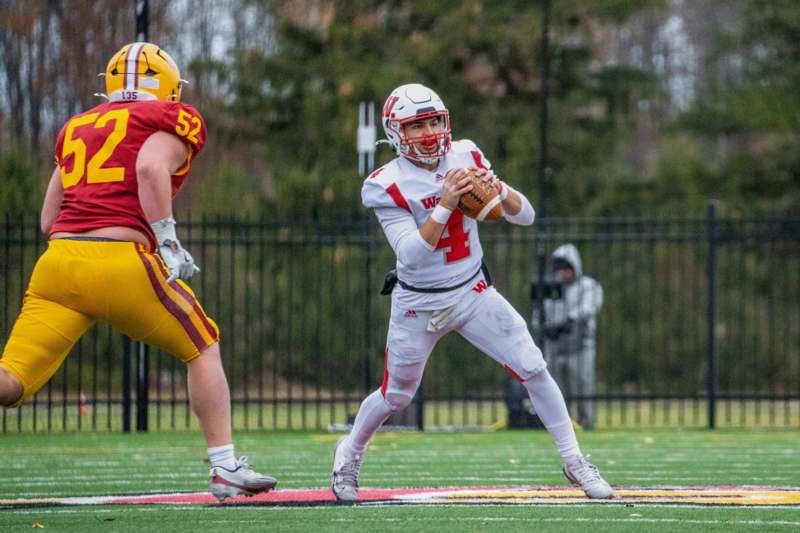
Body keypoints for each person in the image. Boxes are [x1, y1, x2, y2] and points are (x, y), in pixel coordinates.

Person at [0, 42, 276, 502]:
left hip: (57, 265)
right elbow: (149, 167)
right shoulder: (172, 117)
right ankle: (225, 467)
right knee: (202, 345)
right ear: (170, 88)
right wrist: (167, 241)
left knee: (10, 384)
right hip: (119, 260)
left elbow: (48, 221)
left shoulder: (77, 127)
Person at [331, 83, 613, 502]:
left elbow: (526, 216)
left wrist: (497, 188)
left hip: (473, 291)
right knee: (396, 394)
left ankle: (574, 461)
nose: (428, 133)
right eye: (416, 126)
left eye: (433, 122)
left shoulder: (466, 154)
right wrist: (444, 204)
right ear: (395, 134)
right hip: (419, 301)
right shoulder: (385, 183)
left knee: (534, 367)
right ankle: (349, 452)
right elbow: (410, 254)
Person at [532, 244, 603, 429]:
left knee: (583, 388)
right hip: (554, 346)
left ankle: (587, 423)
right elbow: (538, 312)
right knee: (555, 390)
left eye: (566, 268)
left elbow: (588, 308)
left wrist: (568, 322)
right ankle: (560, 425)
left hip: (580, 346)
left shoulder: (588, 285)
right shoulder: (550, 287)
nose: (562, 273)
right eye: (558, 269)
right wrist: (543, 327)